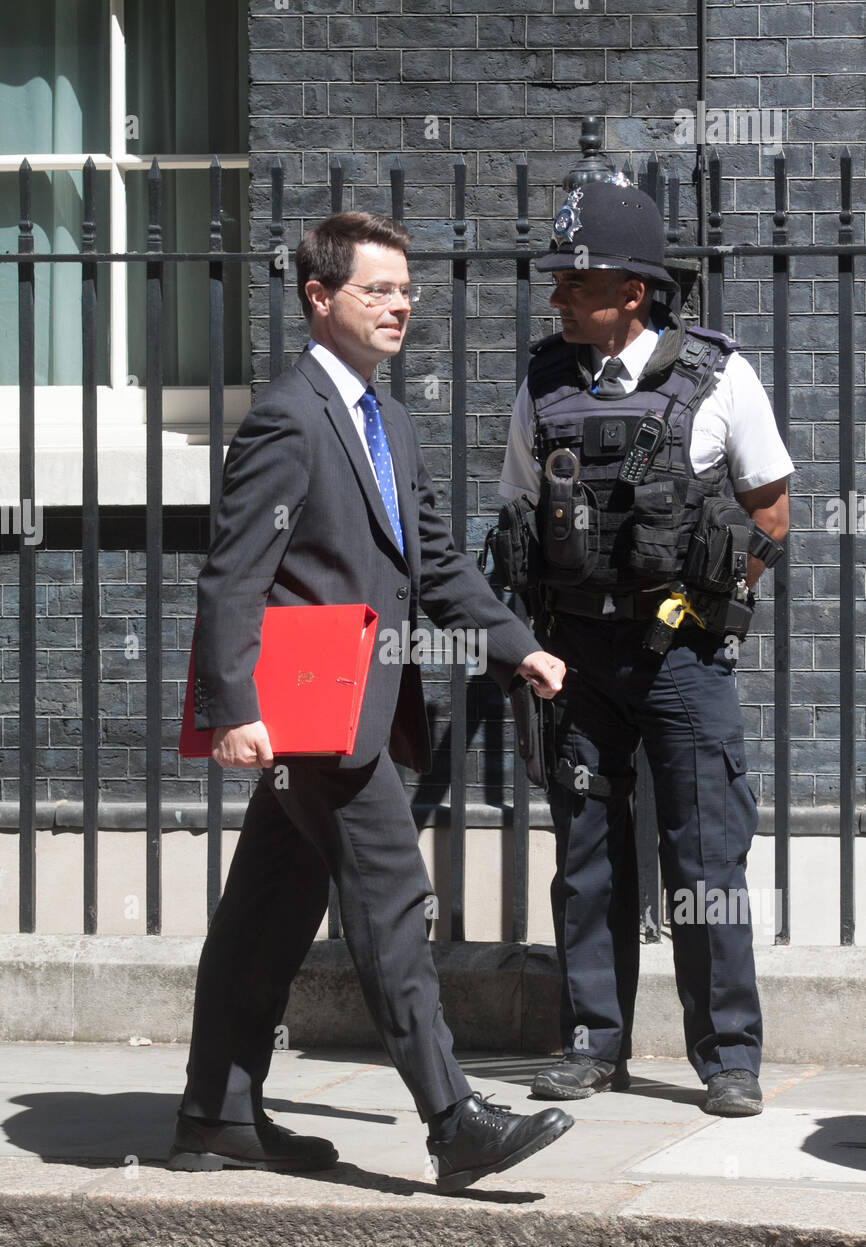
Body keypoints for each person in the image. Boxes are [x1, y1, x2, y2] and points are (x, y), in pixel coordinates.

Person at [169, 210, 573, 1193]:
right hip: (307, 712)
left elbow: (432, 561)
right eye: (378, 290)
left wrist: (517, 646)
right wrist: (232, 709)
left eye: (406, 290)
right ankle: (453, 1120)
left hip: (362, 702)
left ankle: (214, 1111)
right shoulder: (287, 416)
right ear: (319, 297)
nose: (401, 306)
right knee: (392, 900)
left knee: (268, 906)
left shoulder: (388, 420)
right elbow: (233, 576)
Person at [499, 177, 792, 1117]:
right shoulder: (541, 383)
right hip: (579, 658)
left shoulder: (718, 375)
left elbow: (772, 517)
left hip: (685, 662)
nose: (557, 298)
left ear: (632, 291)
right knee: (586, 853)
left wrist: (707, 607)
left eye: (575, 284)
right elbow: (514, 518)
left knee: (706, 858)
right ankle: (593, 1043)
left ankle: (729, 1056)